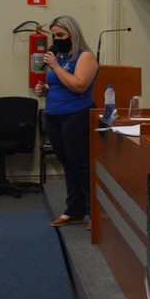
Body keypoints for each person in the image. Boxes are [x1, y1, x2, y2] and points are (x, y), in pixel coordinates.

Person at [34, 15, 99, 227]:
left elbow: (79, 86)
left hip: (76, 115)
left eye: (61, 35)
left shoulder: (85, 57)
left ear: (73, 34)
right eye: (54, 36)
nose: (57, 40)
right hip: (54, 116)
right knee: (68, 164)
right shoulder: (60, 58)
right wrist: (45, 90)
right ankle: (74, 210)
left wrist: (55, 66)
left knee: (81, 164)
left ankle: (95, 213)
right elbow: (61, 84)